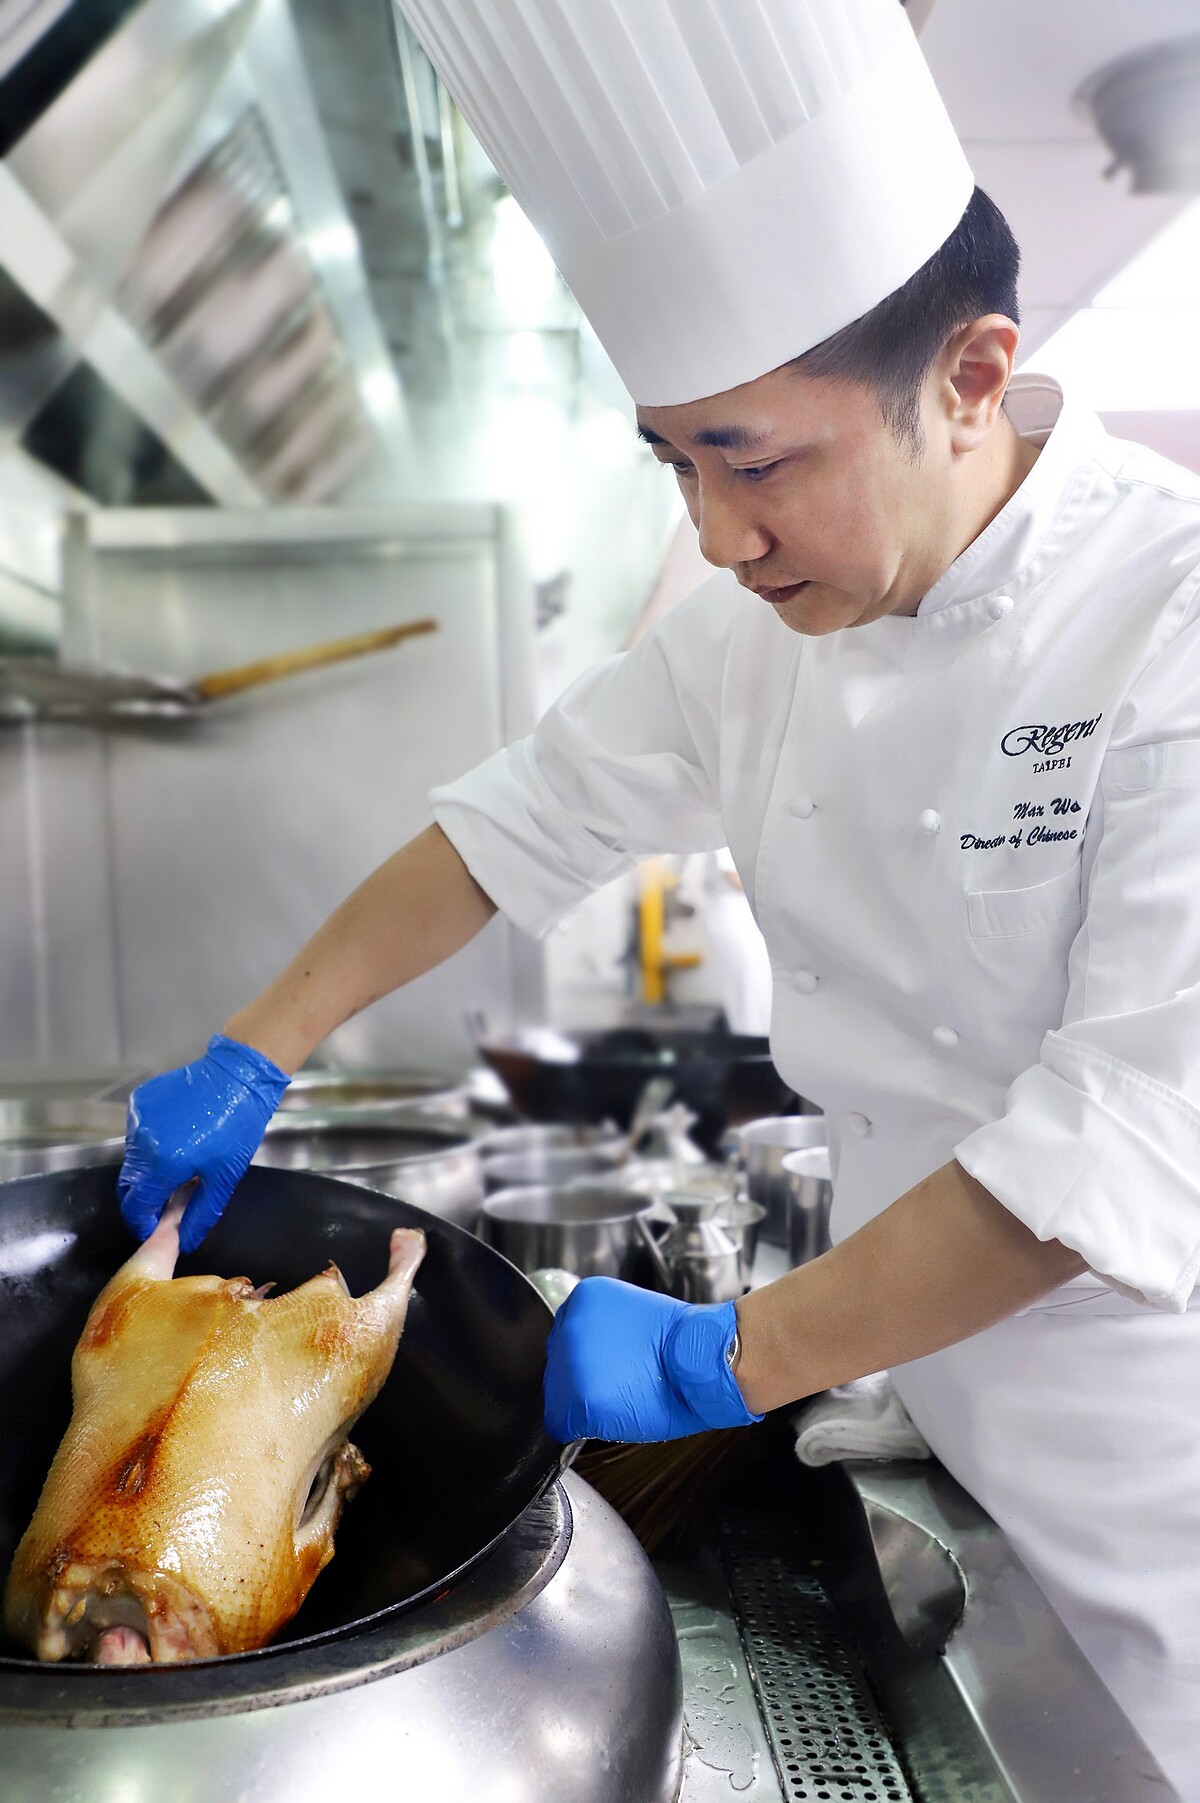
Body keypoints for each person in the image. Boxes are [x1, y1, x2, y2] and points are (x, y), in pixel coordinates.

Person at [118, 3, 1200, 1791]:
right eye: (676, 463)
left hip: (1165, 1476)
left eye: (755, 460)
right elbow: (504, 831)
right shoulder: (747, 641)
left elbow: (1123, 1150)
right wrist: (257, 1047)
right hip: (952, 1420)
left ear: (971, 377)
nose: (715, 534)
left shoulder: (1170, 620)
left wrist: (735, 1358)